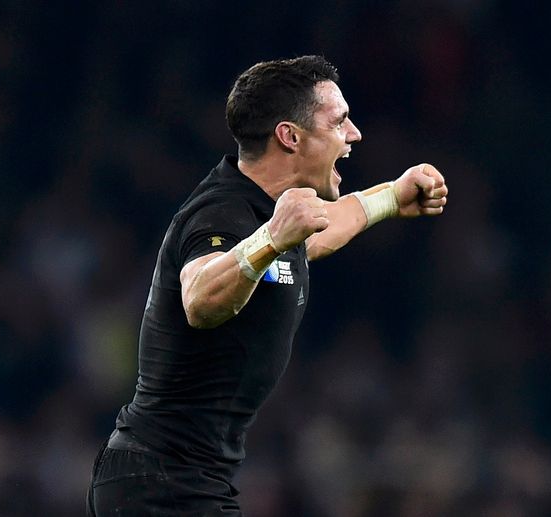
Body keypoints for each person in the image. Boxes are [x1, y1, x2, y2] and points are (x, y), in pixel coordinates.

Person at [86, 55, 448, 515]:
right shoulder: (222, 213)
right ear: (289, 136)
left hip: (181, 480)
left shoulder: (274, 215)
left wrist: (393, 196)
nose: (354, 134)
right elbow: (199, 298)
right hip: (158, 482)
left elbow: (325, 228)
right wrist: (269, 241)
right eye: (339, 122)